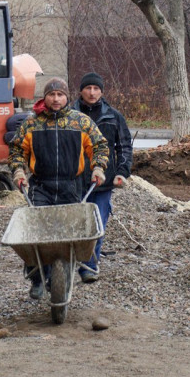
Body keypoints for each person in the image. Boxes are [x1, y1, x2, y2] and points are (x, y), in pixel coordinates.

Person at [9, 77, 109, 299]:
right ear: (44, 97)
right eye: (51, 94)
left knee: (67, 236)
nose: (56, 99)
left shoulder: (80, 122)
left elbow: (99, 145)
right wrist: (18, 171)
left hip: (70, 186)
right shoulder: (31, 123)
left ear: (67, 97)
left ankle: (67, 273)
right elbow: (16, 150)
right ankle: (36, 279)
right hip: (41, 186)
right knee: (36, 236)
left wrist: (98, 167)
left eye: (60, 95)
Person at [76, 72, 133, 283]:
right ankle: (74, 261)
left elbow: (124, 146)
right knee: (79, 224)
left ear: (101, 91)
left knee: (98, 224)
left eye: (96, 89)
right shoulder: (71, 114)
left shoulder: (113, 116)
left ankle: (89, 266)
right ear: (81, 90)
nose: (92, 93)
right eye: (88, 88)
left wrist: (122, 171)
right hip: (75, 179)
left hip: (103, 181)